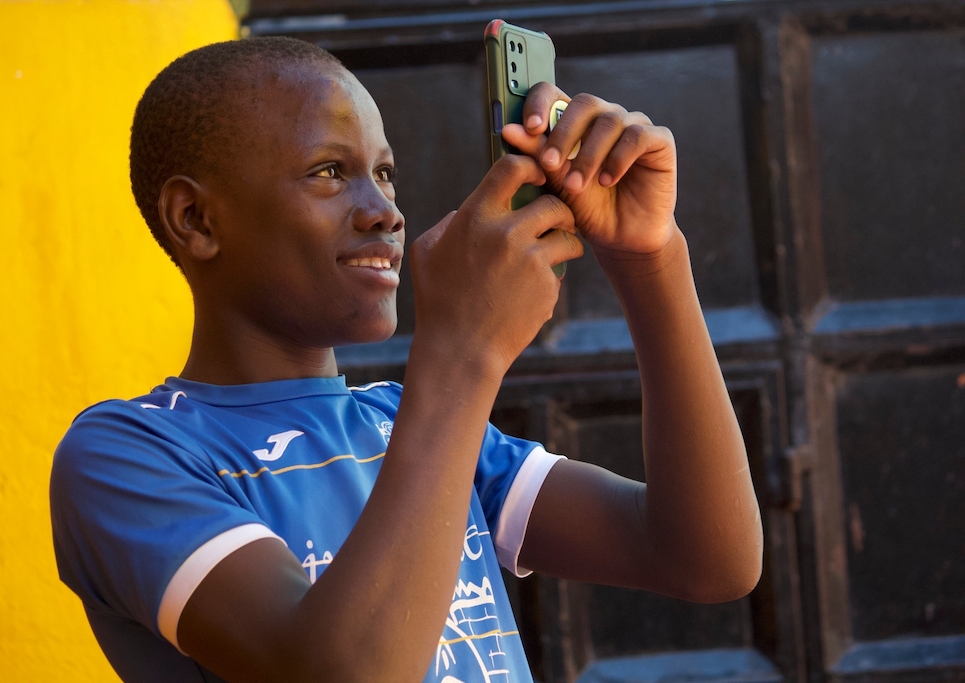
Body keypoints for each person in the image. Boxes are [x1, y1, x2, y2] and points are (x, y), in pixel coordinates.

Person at [49, 36, 763, 683]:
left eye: (385, 174)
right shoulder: (128, 455)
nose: (385, 211)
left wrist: (652, 259)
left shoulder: (405, 421)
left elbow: (706, 558)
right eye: (329, 171)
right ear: (197, 220)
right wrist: (463, 348)